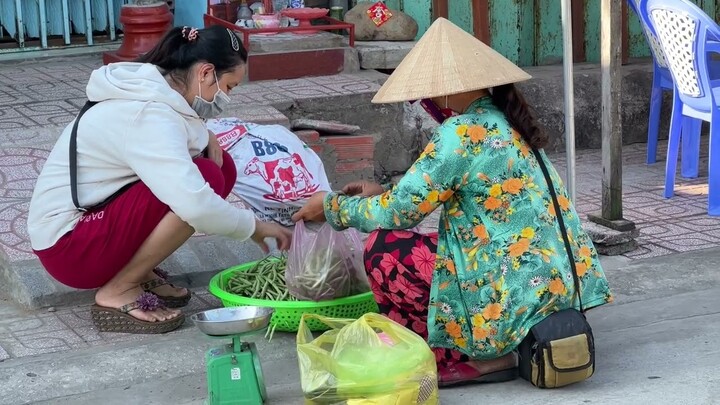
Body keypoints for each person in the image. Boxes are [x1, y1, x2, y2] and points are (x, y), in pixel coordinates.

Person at [292, 18, 613, 387]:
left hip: (511, 293)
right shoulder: (503, 120)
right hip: (554, 284)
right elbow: (441, 188)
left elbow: (400, 213)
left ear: (444, 92)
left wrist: (331, 208)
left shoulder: (459, 132)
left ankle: (477, 357)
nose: (426, 104)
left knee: (384, 250)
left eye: (427, 95)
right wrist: (382, 192)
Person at [27, 26, 291, 334]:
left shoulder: (159, 91)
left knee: (219, 167)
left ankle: (138, 270)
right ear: (206, 73)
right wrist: (255, 228)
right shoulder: (147, 114)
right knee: (203, 179)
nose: (226, 99)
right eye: (229, 87)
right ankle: (120, 288)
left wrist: (205, 135)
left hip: (90, 224)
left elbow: (176, 137)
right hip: (69, 248)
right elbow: (195, 203)